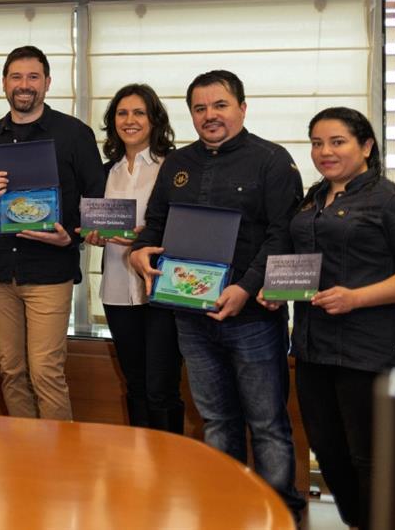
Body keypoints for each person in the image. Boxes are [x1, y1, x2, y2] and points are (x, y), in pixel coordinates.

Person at [129, 70, 306, 519]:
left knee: (267, 423)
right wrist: (138, 253)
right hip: (190, 316)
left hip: (253, 319)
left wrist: (245, 289)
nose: (210, 116)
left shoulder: (272, 161)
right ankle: (226, 508)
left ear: (242, 108)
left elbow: (283, 234)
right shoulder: (178, 163)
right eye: (201, 108)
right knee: (216, 419)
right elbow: (156, 223)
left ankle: (277, 513)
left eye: (220, 105)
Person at [259, 107, 395, 529]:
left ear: (366, 146)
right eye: (317, 143)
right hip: (312, 345)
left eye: (337, 142)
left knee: (369, 457)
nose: (325, 151)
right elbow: (301, 262)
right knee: (328, 450)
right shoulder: (313, 197)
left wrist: (357, 298)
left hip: (367, 350)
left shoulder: (388, 199)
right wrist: (275, 290)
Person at [0, 45, 105, 421]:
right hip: (1, 273)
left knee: (46, 372)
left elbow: (95, 199)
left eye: (33, 77)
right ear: (4, 84)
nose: (24, 85)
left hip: (51, 272)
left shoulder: (75, 134)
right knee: (11, 371)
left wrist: (74, 237)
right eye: (16, 77)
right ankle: (24, 459)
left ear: (48, 83)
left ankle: (57, 467)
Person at [82, 84, 182, 432]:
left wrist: (146, 235)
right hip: (115, 287)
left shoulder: (173, 167)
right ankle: (139, 464)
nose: (130, 120)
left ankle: (168, 466)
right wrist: (92, 234)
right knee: (136, 383)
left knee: (161, 388)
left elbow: (182, 227)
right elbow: (93, 222)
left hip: (159, 290)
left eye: (139, 112)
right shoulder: (105, 172)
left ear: (155, 120)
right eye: (122, 113)